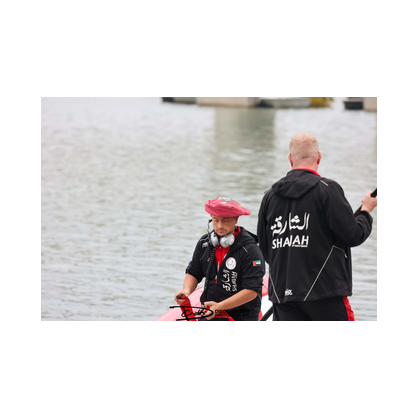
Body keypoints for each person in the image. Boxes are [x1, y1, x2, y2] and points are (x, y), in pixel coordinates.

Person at [257, 133, 377, 321]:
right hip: (324, 293)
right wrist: (366, 210)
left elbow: (265, 249)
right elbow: (353, 234)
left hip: (283, 294)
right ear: (319, 157)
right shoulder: (327, 189)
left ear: (290, 159)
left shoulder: (269, 196)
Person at [175, 198, 265, 321]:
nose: (220, 226)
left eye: (225, 220)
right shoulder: (204, 243)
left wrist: (220, 307)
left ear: (236, 219)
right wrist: (186, 291)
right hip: (209, 313)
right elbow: (193, 272)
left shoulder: (250, 250)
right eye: (215, 220)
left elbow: (252, 291)